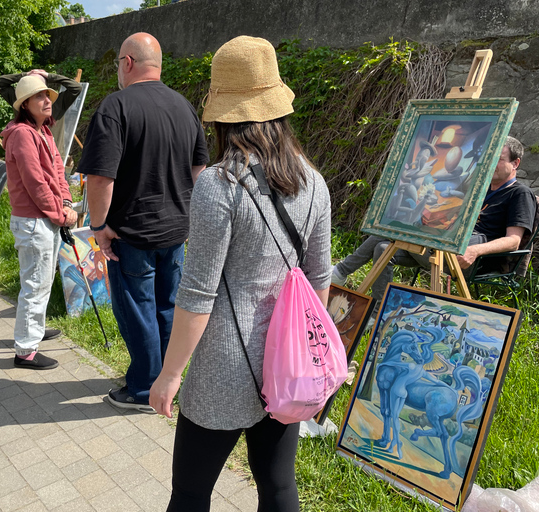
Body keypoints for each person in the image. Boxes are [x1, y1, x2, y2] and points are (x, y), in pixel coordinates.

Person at [149, 35, 332, 511]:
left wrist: (170, 374)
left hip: (223, 368)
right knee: (278, 486)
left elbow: (197, 292)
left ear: (223, 111)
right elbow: (319, 281)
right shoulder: (314, 182)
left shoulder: (219, 182)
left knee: (190, 493)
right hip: (287, 363)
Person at [77, 32, 209, 412]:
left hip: (131, 231)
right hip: (176, 229)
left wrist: (99, 226)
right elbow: (199, 169)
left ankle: (142, 388)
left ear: (128, 63)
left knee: (136, 308)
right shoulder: (184, 106)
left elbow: (100, 178)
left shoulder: (115, 107)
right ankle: (169, 378)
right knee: (168, 305)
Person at [331, 136, 536, 300]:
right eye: (489, 158)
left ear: (515, 163)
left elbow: (514, 241)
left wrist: (475, 251)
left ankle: (340, 272)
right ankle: (377, 314)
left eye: (499, 159)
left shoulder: (520, 194)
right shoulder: (480, 189)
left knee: (403, 226)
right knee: (383, 248)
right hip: (444, 246)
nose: (492, 164)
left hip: (470, 258)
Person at [0, 75, 78, 369]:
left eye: (48, 96)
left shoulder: (43, 131)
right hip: (34, 221)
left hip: (46, 219)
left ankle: (34, 331)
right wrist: (61, 214)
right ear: (25, 104)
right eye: (40, 97)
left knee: (41, 282)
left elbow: (58, 170)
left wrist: (67, 203)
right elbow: (35, 183)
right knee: (35, 285)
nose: (48, 101)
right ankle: (25, 351)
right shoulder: (21, 134)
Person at [0, 68, 81, 122]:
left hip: (53, 150)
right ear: (24, 105)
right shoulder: (20, 100)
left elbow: (76, 87)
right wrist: (26, 75)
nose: (47, 101)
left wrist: (49, 76)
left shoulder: (55, 104)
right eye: (38, 96)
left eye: (46, 94)